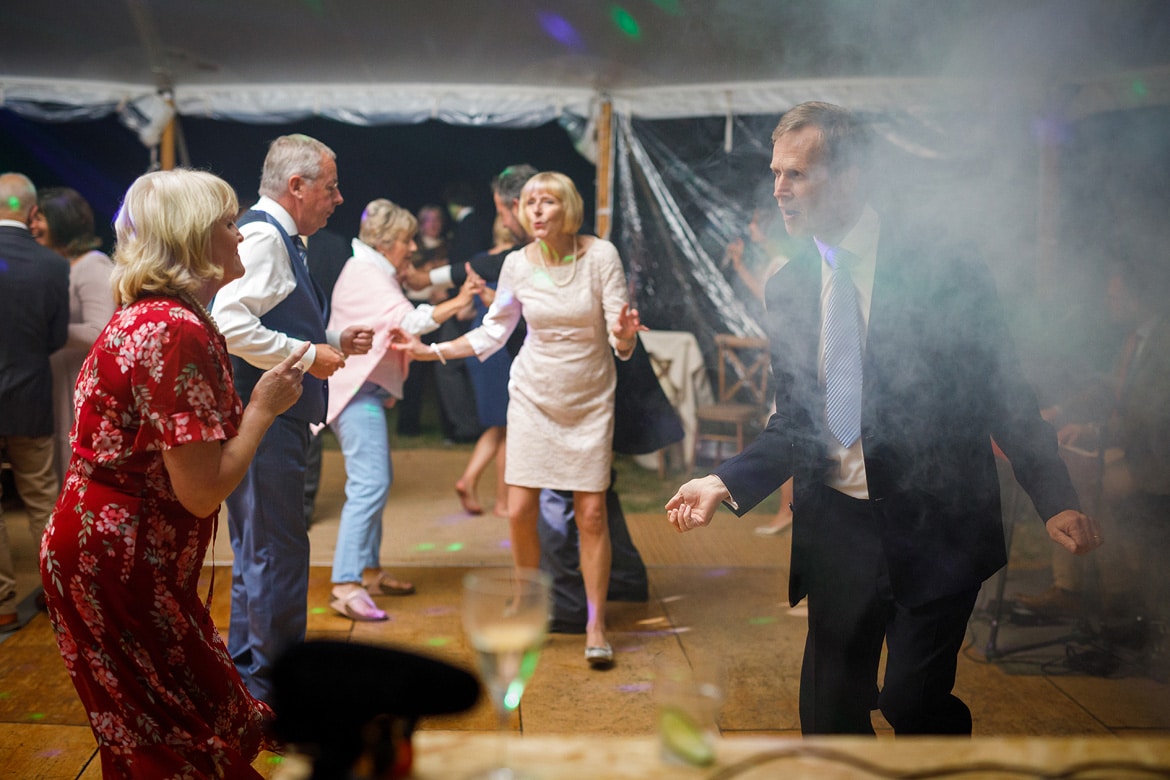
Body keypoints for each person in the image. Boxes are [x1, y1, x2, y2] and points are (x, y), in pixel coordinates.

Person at [665, 101, 1101, 735]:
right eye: (776, 173)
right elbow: (797, 421)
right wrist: (721, 483)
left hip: (938, 524)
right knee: (827, 716)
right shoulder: (789, 287)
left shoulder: (941, 267)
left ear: (849, 177)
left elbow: (1000, 388)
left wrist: (1055, 496)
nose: (779, 190)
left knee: (913, 704)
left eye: (798, 175)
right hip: (838, 526)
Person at [39, 169, 307, 776]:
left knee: (173, 721)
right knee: (173, 743)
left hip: (115, 553)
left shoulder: (150, 314)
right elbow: (201, 492)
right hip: (122, 562)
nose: (241, 237)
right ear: (193, 237)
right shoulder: (174, 329)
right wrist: (264, 407)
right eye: (229, 223)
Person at [392, 171, 646, 667]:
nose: (535, 211)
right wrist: (432, 354)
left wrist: (625, 334)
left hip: (590, 399)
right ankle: (527, 605)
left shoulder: (601, 256)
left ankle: (595, 620)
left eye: (546, 202)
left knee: (592, 513)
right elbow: (493, 332)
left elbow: (622, 340)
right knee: (522, 508)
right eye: (529, 202)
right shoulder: (515, 264)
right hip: (532, 395)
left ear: (567, 208)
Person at [210, 133, 373, 702]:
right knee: (277, 552)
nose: (338, 198)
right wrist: (309, 355)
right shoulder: (265, 236)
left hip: (265, 416)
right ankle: (277, 693)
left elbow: (264, 322)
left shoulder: (275, 236)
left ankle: (248, 674)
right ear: (296, 186)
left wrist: (327, 339)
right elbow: (227, 322)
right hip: (267, 419)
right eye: (330, 187)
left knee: (260, 549)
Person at [325, 199, 483, 621]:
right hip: (356, 393)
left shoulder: (374, 270)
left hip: (366, 394)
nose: (412, 247)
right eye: (407, 239)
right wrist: (461, 298)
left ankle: (370, 571)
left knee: (374, 480)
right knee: (370, 483)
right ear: (386, 241)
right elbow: (410, 322)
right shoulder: (365, 272)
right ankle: (345, 584)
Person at [1019, 259, 1170, 625]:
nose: (1109, 301)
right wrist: (1064, 412)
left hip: (1155, 458)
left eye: (1116, 296)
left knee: (1088, 481)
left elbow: (1151, 413)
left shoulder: (1163, 341)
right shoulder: (1134, 339)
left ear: (1140, 297)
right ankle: (1085, 591)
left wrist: (1092, 432)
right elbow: (1108, 391)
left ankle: (1115, 596)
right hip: (1130, 446)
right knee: (1074, 467)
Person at [0, 172, 69, 633]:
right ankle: (58, 593)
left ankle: (3, 601)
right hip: (29, 397)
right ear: (32, 212)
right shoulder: (52, 265)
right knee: (43, 498)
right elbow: (55, 338)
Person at [31, 186, 117, 480]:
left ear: (62, 220)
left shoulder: (93, 264)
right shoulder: (53, 267)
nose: (32, 226)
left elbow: (100, 331)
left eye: (39, 217)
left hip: (79, 384)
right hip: (55, 382)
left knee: (74, 470)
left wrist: (40, 329)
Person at [455, 215, 516, 517]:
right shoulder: (518, 262)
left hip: (479, 346)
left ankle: (469, 479)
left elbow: (464, 310)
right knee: (509, 426)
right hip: (503, 347)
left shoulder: (478, 262)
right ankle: (504, 502)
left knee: (498, 425)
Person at [302, 227, 356, 526]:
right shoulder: (271, 237)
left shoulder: (335, 244)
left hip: (325, 343)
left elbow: (345, 295)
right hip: (275, 350)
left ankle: (305, 507)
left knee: (312, 424)